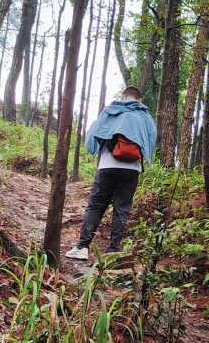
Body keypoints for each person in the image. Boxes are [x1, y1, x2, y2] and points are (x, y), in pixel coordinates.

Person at [65, 85, 157, 260]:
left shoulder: (111, 110)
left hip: (107, 165)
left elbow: (93, 132)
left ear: (123, 97)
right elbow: (152, 138)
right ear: (139, 100)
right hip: (132, 169)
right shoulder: (145, 116)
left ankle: (83, 247)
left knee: (96, 206)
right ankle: (113, 251)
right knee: (121, 209)